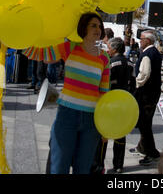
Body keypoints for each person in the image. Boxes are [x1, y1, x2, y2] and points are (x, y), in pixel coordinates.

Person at [24, 12, 110, 174]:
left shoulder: (105, 58)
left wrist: (104, 127)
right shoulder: (70, 48)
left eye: (99, 26)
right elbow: (41, 55)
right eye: (93, 25)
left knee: (82, 170)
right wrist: (19, 40)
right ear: (83, 27)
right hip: (66, 116)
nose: (98, 29)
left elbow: (104, 93)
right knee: (58, 167)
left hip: (91, 122)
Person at [91, 37, 135, 174]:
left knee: (103, 135)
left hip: (109, 103)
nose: (107, 49)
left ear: (114, 49)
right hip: (124, 103)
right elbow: (133, 84)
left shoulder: (110, 63)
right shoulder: (130, 64)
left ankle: (99, 165)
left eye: (109, 47)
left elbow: (105, 82)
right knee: (120, 135)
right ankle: (119, 165)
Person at [130, 30, 162, 166]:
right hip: (153, 91)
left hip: (147, 94)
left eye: (141, 38)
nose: (139, 40)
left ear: (148, 40)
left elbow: (144, 74)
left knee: (145, 123)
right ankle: (141, 147)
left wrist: (136, 84)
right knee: (145, 121)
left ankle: (152, 153)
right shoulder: (154, 52)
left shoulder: (147, 54)